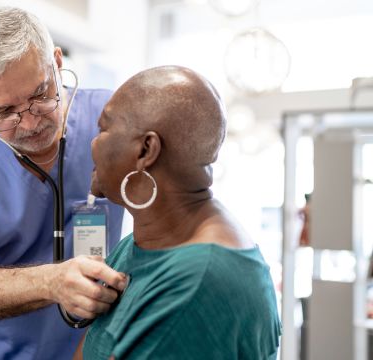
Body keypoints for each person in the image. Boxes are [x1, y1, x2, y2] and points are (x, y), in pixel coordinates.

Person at [0, 7, 126, 359]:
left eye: (40, 95)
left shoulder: (112, 120)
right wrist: (51, 282)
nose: (30, 123)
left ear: (57, 62)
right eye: (4, 112)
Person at [77, 66, 281, 359]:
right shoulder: (142, 243)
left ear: (146, 150)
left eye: (103, 129)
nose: (93, 143)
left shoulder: (197, 282)